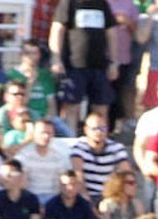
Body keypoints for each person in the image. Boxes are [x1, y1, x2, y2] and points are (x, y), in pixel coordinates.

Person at [48, 0, 118, 132]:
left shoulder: (102, 3)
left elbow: (111, 32)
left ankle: (100, 142)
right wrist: (56, 58)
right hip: (74, 65)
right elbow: (57, 29)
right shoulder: (68, 3)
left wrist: (114, 62)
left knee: (101, 107)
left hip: (100, 65)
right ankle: (71, 141)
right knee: (72, 107)